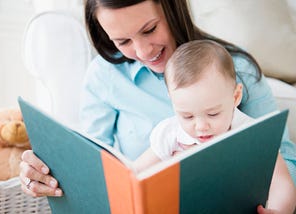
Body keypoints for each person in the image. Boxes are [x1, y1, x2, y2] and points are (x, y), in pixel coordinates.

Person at [20, 0, 296, 212]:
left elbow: (281, 160)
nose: (143, 52)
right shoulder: (105, 77)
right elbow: (96, 166)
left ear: (172, 8)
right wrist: (48, 172)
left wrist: (277, 207)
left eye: (149, 29)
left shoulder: (237, 71)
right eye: (123, 41)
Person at [133, 40, 254, 172]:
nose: (201, 127)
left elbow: (279, 182)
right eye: (187, 116)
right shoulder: (170, 134)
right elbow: (134, 173)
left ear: (235, 97)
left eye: (213, 114)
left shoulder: (252, 133)